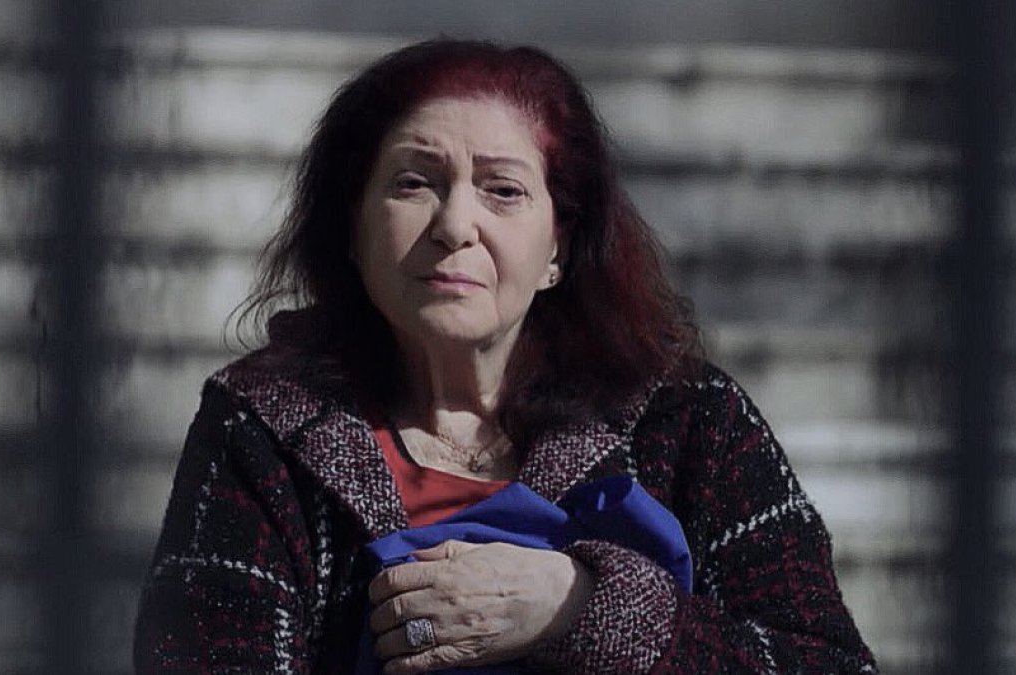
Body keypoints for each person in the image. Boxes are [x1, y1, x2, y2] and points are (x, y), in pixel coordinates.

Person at [134, 39, 878, 674]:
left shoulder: (690, 419)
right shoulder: (263, 428)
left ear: (558, 248)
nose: (455, 223)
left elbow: (827, 662)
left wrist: (578, 606)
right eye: (414, 182)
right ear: (354, 229)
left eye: (503, 190)